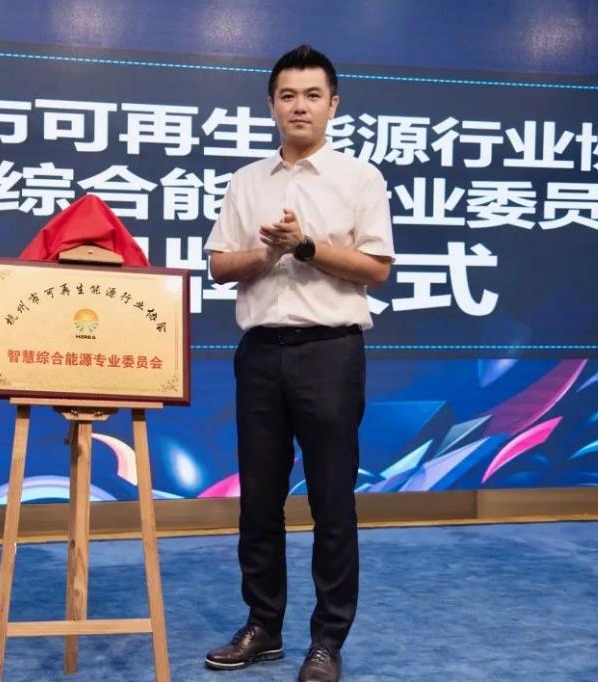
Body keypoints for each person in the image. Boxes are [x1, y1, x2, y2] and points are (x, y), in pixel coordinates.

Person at [202, 45, 394, 682]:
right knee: (259, 501)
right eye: (288, 95)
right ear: (271, 105)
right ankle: (263, 625)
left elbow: (376, 269)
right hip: (260, 354)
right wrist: (267, 255)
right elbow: (219, 264)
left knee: (332, 502)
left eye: (313, 95)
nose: (300, 106)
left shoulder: (359, 178)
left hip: (330, 352)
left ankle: (328, 639)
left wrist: (306, 247)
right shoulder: (247, 181)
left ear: (333, 104)